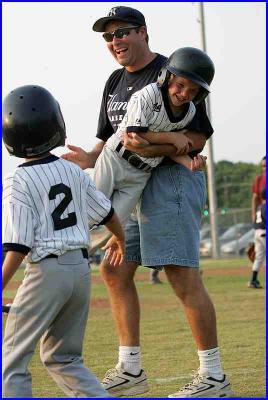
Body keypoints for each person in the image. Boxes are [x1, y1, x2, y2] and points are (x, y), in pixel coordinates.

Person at [63, 6, 233, 398]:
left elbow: (195, 138)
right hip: (128, 176)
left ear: (142, 32)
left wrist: (176, 146)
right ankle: (131, 369)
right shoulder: (115, 81)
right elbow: (113, 137)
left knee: (179, 272)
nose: (115, 41)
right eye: (108, 36)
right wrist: (89, 158)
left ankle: (213, 377)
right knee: (114, 269)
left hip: (167, 179)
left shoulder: (175, 73)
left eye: (122, 32)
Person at [2, 84, 125, 398]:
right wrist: (121, 240)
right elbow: (108, 213)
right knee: (63, 357)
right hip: (80, 271)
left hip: (48, 271)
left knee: (12, 361)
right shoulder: (72, 171)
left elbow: (18, 244)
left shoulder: (19, 179)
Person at [93, 46, 213, 228]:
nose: (184, 94)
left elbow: (171, 151)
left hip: (141, 174)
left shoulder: (189, 112)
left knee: (113, 223)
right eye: (180, 85)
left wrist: (190, 164)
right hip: (115, 159)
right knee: (92, 212)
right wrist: (171, 137)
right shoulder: (148, 95)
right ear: (167, 77)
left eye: (192, 91)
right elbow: (133, 136)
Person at [248, 187, 266, 288]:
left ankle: (253, 280)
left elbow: (255, 222)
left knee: (259, 257)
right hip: (264, 233)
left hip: (257, 232)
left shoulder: (260, 207)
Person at [251, 156, 266, 223]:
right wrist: (254, 215)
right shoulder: (259, 180)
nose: (265, 168)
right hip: (263, 214)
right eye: (263, 166)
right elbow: (255, 198)